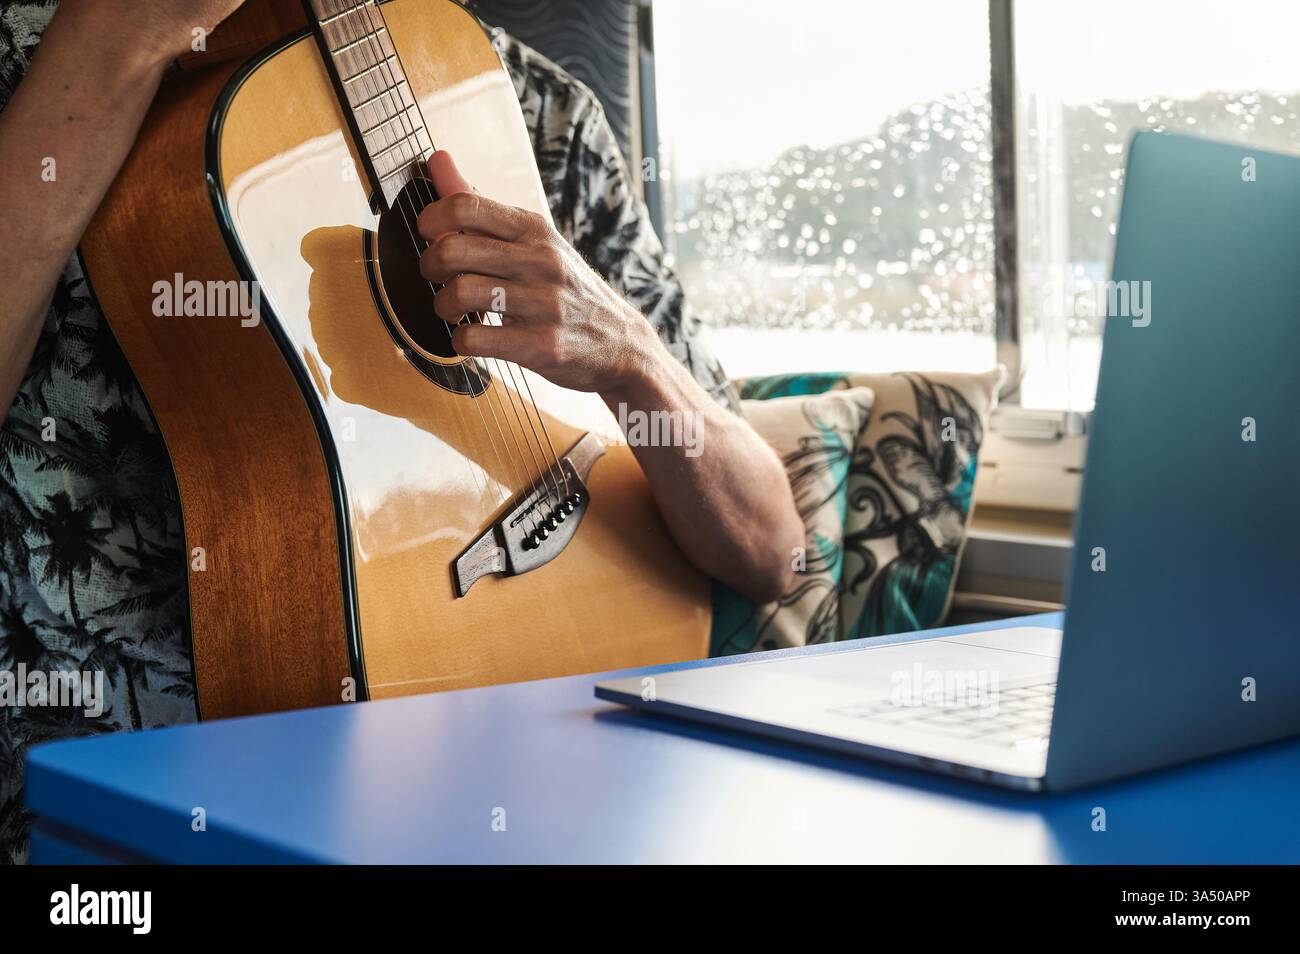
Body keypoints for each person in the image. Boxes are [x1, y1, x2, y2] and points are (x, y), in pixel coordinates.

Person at [0, 0, 802, 862]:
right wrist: (112, 51)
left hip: (583, 785)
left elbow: (771, 555)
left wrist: (631, 356)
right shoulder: (27, 64)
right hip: (131, 817)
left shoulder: (530, 104)